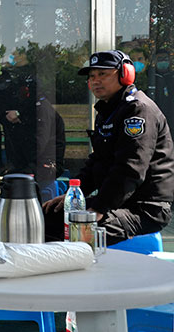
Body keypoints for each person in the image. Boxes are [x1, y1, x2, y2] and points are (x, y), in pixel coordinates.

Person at [44, 50, 174, 245]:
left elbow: (130, 169)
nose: (95, 81)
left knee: (74, 230)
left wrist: (98, 208)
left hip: (146, 209)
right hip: (119, 203)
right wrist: (72, 194)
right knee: (47, 217)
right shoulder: (108, 110)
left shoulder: (138, 110)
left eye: (102, 74)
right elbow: (97, 160)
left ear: (125, 74)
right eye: (91, 76)